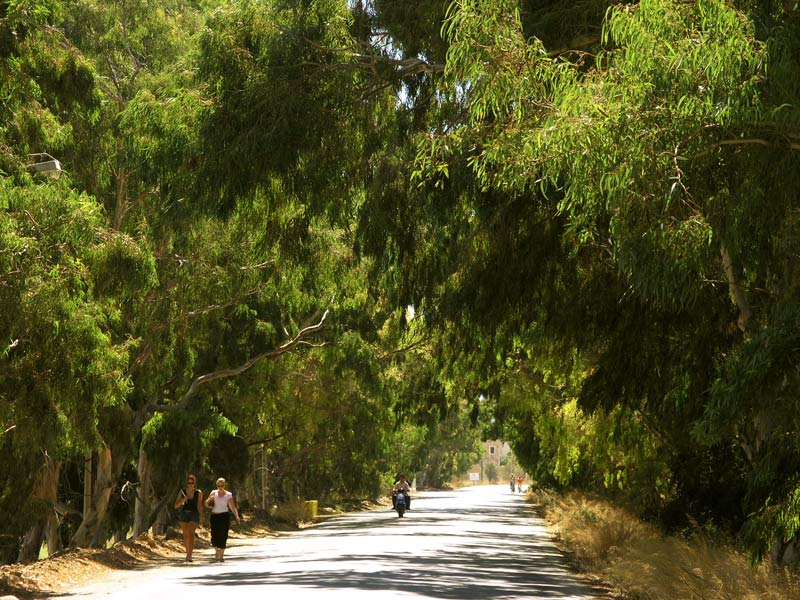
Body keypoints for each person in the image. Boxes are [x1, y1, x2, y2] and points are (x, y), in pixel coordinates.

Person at [204, 477, 241, 562]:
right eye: (218, 485)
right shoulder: (213, 492)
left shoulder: (228, 494)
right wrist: (210, 499)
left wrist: (237, 516)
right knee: (214, 535)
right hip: (214, 516)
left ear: (224, 485)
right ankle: (217, 552)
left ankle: (221, 555)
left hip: (224, 516)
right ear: (217, 485)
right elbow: (206, 504)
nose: (220, 487)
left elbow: (232, 506)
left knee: (223, 535)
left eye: (222, 485)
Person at [173, 474, 204, 562]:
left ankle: (190, 555)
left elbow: (199, 505)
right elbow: (176, 506)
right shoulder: (182, 492)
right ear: (187, 483)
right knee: (186, 535)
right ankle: (187, 554)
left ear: (195, 483)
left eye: (192, 482)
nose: (190, 484)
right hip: (184, 514)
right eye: (189, 483)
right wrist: (183, 500)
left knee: (191, 533)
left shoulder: (198, 492)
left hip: (194, 514)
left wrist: (202, 515)